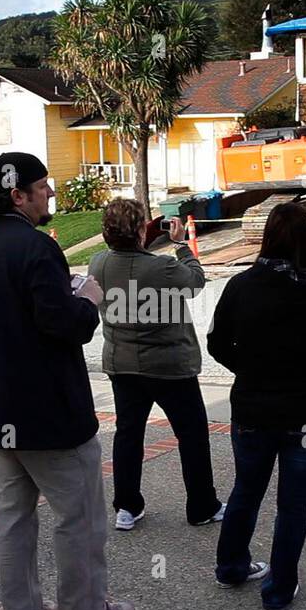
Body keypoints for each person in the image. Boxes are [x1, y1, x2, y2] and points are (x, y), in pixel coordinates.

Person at [0, 152, 135, 610]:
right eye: (43, 187)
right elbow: (66, 326)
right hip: (51, 416)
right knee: (79, 516)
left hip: (1, 415)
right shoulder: (37, 249)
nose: (51, 194)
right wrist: (89, 298)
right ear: (18, 195)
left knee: (14, 517)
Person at [208, 202, 306, 610]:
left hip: (252, 409)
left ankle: (231, 565)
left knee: (246, 491)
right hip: (305, 415)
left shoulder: (240, 285)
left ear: (267, 237)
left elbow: (217, 343)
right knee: (293, 503)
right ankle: (279, 586)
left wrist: (251, 369)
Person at [88, 198, 223, 531]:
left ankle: (126, 507)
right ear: (139, 230)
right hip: (169, 366)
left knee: (129, 435)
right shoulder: (161, 267)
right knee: (191, 435)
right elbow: (196, 281)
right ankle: (202, 505)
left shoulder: (98, 264)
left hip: (122, 364)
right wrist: (181, 245)